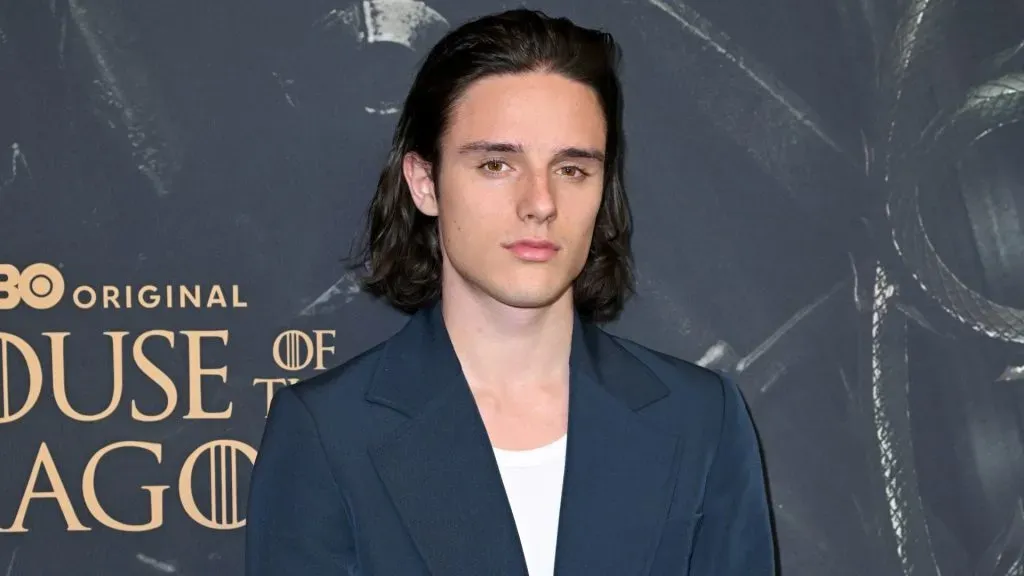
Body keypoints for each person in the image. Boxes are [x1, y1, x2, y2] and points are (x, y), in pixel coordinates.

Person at [245, 8, 775, 575]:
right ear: (425, 184)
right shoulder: (328, 433)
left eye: (572, 169)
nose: (540, 203)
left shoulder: (703, 420)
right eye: (497, 164)